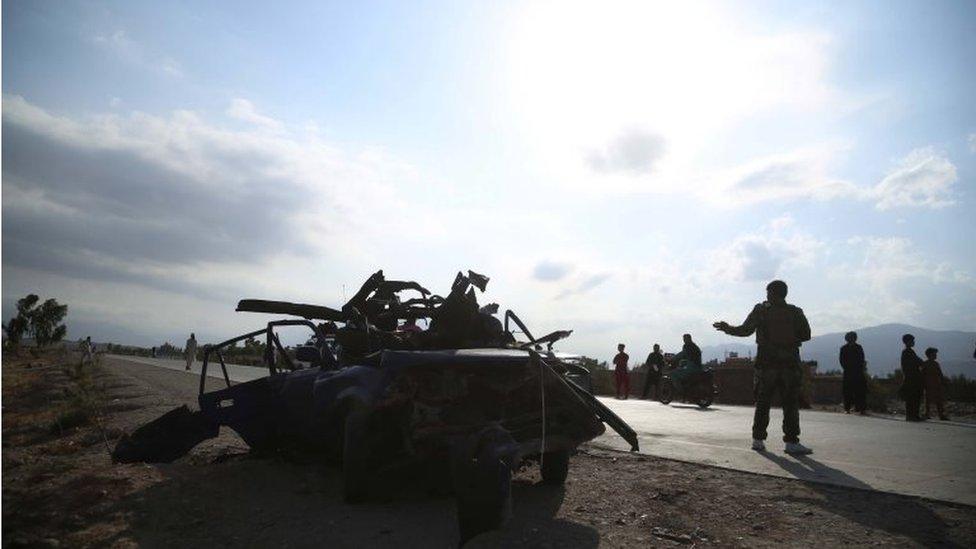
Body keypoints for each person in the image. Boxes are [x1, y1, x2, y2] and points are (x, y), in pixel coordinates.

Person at [713, 280, 813, 455]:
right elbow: (806, 335)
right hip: (789, 365)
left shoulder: (761, 311)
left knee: (763, 403)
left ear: (772, 293)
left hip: (766, 364)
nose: (766, 295)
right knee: (790, 404)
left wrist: (727, 328)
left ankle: (758, 440)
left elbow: (745, 330)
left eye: (768, 292)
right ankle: (791, 442)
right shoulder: (795, 312)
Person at [839, 331, 868, 415]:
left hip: (858, 373)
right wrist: (847, 368)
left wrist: (858, 368)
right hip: (848, 373)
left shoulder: (859, 347)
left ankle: (861, 409)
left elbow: (861, 359)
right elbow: (842, 360)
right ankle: (847, 408)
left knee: (860, 391)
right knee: (847, 391)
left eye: (852, 337)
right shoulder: (843, 348)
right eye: (849, 338)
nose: (851, 339)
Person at [900, 334, 924, 421]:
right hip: (912, 378)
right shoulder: (907, 352)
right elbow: (917, 362)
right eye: (912, 341)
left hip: (911, 378)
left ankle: (913, 415)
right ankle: (912, 416)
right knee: (913, 398)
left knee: (913, 398)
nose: (913, 342)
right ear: (907, 342)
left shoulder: (909, 352)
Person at [922, 347, 948, 420]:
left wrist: (942, 382)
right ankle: (928, 414)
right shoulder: (926, 364)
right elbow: (922, 375)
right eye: (934, 354)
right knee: (928, 401)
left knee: (938, 400)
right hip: (929, 385)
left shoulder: (935, 364)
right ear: (930, 354)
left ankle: (940, 415)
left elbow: (940, 374)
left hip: (936, 385)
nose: (936, 355)